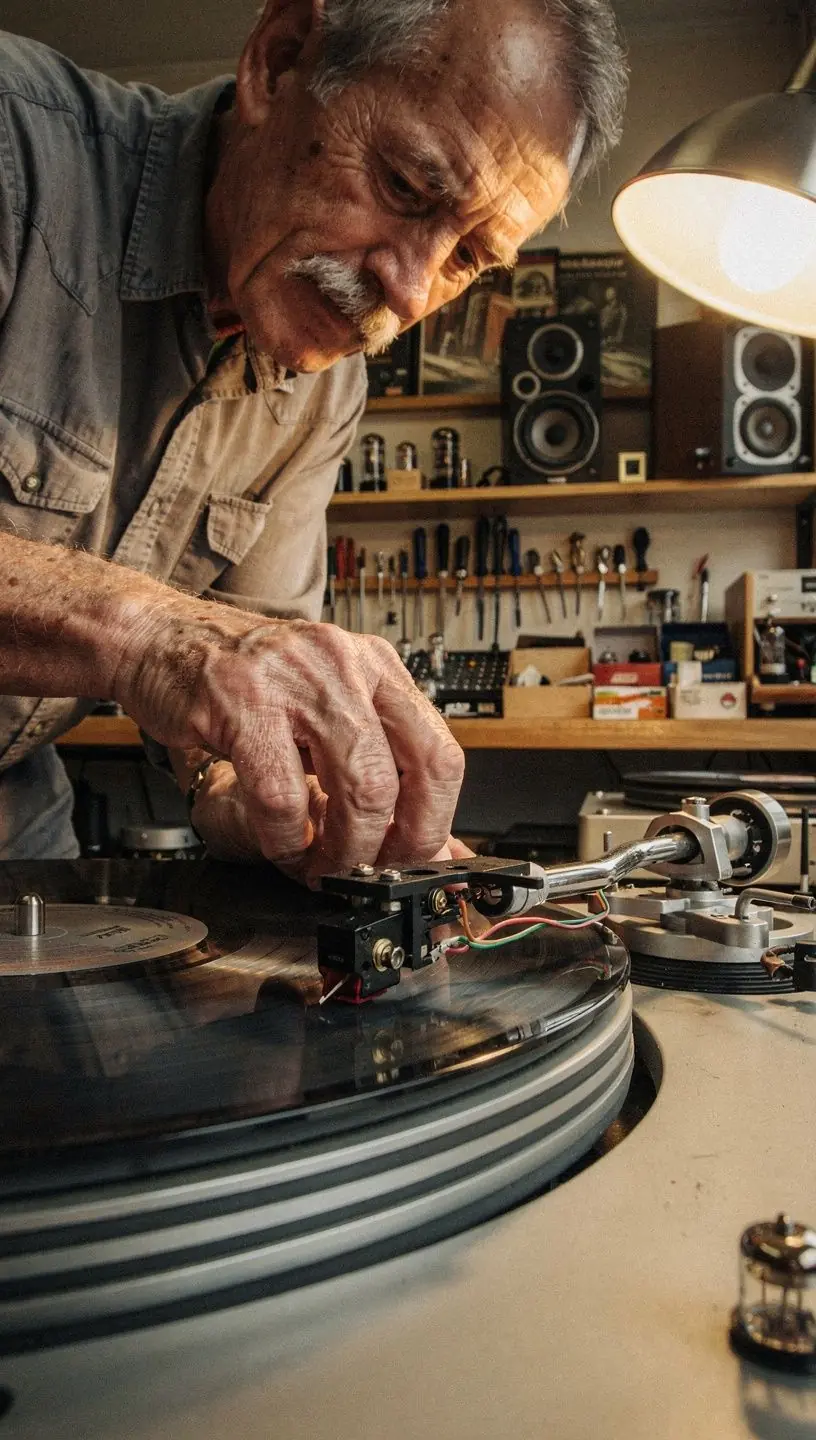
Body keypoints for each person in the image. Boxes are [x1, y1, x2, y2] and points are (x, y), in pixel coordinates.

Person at [0, 0, 627, 881]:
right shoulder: (15, 148)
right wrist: (154, 636)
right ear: (279, 58)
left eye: (468, 257)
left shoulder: (324, 384)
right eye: (407, 187)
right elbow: (192, 647)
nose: (412, 295)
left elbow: (236, 695)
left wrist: (275, 799)